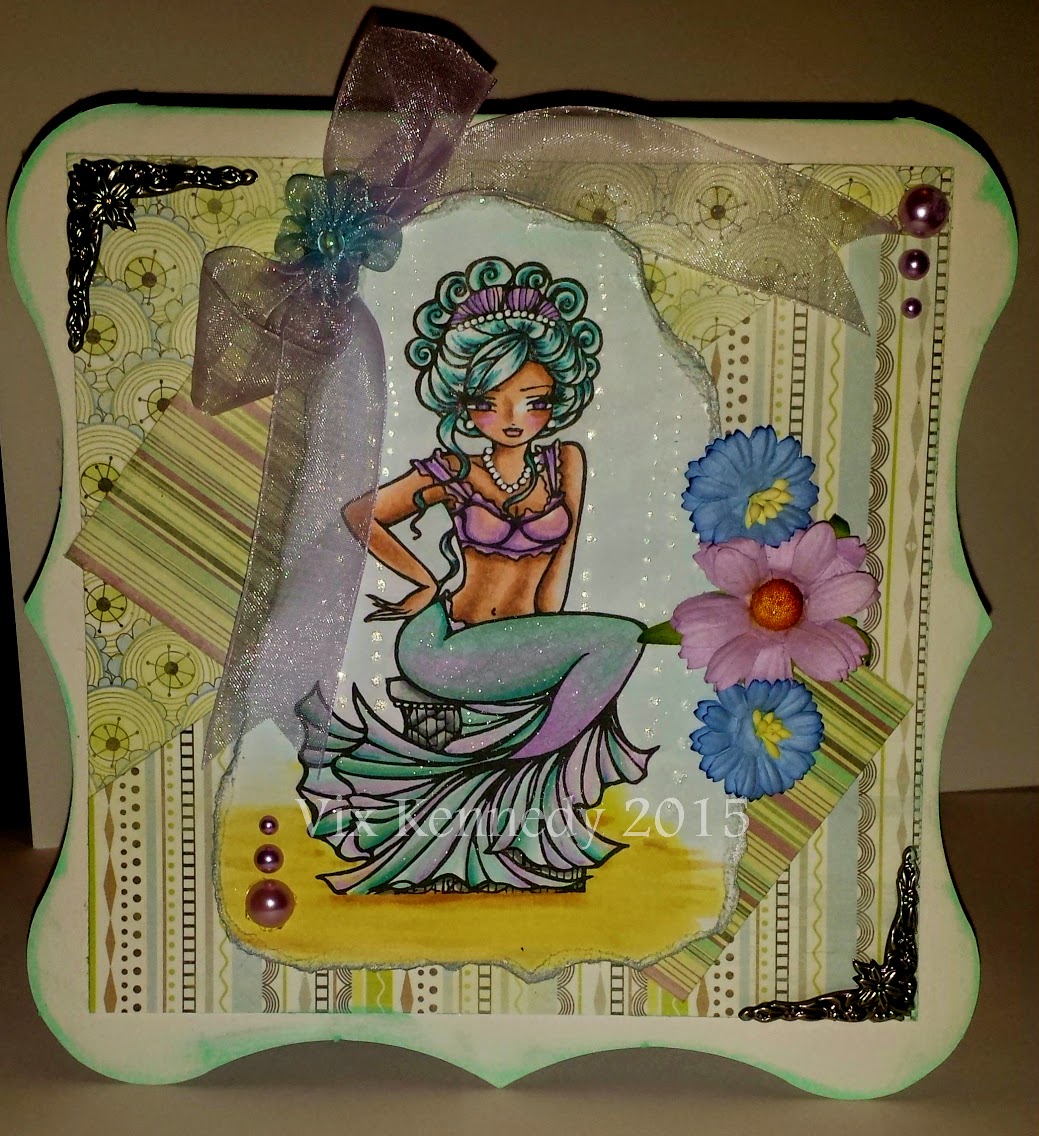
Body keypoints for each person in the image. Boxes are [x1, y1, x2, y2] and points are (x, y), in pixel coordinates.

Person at [297, 256, 654, 894]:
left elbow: (558, 568)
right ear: (465, 405)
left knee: (614, 644)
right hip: (444, 643)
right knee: (623, 637)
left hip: (516, 644)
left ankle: (509, 806)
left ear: (556, 401)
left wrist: (547, 644)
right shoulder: (455, 472)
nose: (513, 417)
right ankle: (517, 774)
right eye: (491, 403)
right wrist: (423, 582)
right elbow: (361, 515)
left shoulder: (565, 463)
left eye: (533, 401)